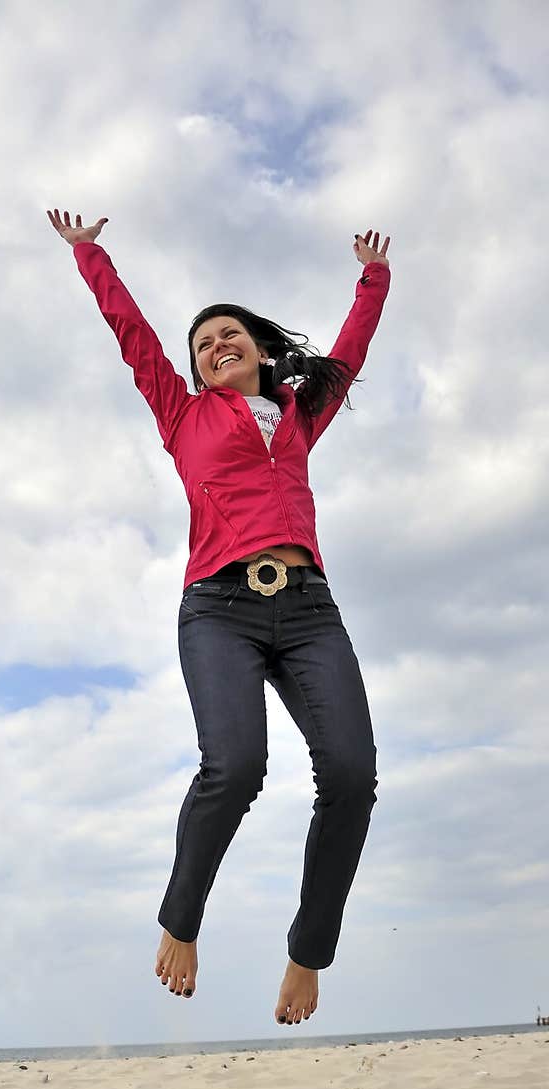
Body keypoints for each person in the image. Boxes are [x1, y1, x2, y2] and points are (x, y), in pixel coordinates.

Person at [47, 208, 391, 1025]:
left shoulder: (300, 414)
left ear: (262, 350)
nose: (214, 345)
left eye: (228, 333)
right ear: (196, 372)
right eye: (202, 343)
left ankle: (309, 952)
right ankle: (182, 917)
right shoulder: (182, 415)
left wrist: (373, 280)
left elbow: (347, 353)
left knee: (351, 774)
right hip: (218, 608)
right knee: (234, 767)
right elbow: (130, 334)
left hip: (309, 610)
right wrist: (90, 255)